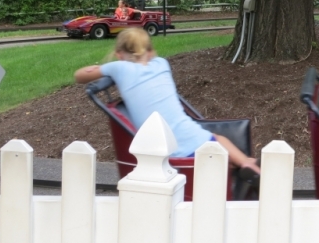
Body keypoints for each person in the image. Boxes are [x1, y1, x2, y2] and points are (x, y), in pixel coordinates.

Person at [74, 28, 259, 171]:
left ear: (119, 54)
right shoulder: (162, 63)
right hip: (197, 138)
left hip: (171, 150)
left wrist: (99, 69)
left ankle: (232, 166)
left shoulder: (119, 68)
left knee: (209, 156)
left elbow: (79, 76)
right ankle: (246, 163)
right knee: (219, 139)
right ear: (149, 51)